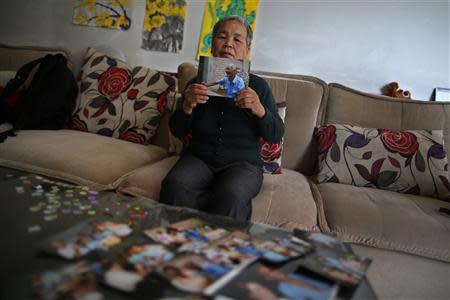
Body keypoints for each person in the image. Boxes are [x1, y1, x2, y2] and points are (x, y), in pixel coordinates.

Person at [159, 15, 284, 221]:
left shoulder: (258, 87)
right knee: (176, 185)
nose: (228, 44)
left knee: (232, 195)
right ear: (212, 44)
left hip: (243, 164)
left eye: (237, 39)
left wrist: (260, 110)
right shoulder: (196, 82)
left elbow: (276, 134)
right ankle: (175, 242)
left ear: (246, 49)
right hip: (199, 158)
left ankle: (221, 250)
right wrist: (187, 106)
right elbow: (177, 130)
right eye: (221, 37)